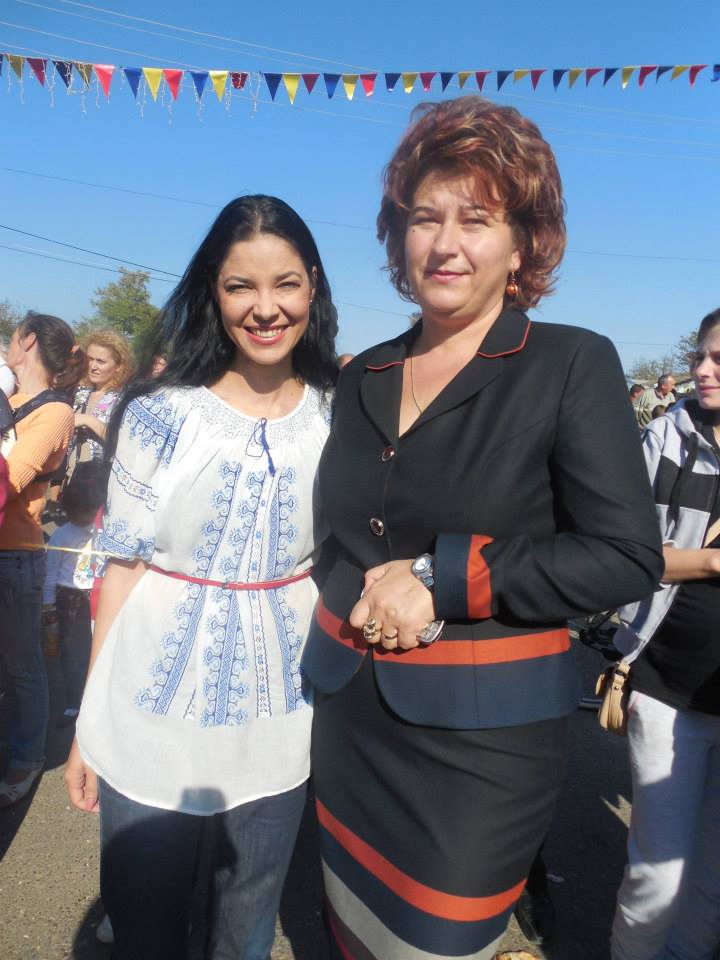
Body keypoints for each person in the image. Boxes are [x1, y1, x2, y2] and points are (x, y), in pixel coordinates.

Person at [301, 96, 663, 960]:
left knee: (436, 942)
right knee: (348, 931)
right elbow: (337, 542)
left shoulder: (570, 362)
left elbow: (625, 555)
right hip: (350, 720)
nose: (445, 242)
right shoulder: (363, 375)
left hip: (479, 752)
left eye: (476, 219)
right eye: (424, 217)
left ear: (523, 244)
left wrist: (437, 576)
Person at [64, 195, 338, 960]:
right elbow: (122, 571)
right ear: (213, 292)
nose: (265, 308)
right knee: (144, 928)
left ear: (313, 286)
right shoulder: (160, 413)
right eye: (240, 286)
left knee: (245, 932)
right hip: (149, 710)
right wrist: (88, 723)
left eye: (285, 283)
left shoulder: (339, 416)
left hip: (281, 716)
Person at [611, 307, 720, 960]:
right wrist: (708, 562)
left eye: (719, 361)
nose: (702, 370)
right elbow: (624, 554)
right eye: (701, 356)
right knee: (659, 874)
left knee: (712, 878)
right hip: (664, 683)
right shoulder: (665, 438)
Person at [0, 312, 84, 806]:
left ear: (28, 342)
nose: (8, 346)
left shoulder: (54, 412)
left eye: (12, 338)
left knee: (22, 665)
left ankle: (28, 756)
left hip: (15, 552)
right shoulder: (10, 400)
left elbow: (10, 478)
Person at [43, 477, 105, 724]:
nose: (89, 516)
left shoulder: (100, 532)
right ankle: (72, 700)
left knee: (92, 645)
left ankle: (87, 694)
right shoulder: (62, 535)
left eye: (93, 510)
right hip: (68, 597)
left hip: (94, 593)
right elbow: (50, 571)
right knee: (70, 650)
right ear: (70, 511)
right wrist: (48, 603)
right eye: (84, 511)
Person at [64, 328, 133, 488]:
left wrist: (88, 421)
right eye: (89, 359)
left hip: (99, 484)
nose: (93, 366)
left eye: (101, 361)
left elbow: (124, 443)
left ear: (119, 366)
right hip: (70, 479)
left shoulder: (125, 400)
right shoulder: (81, 393)